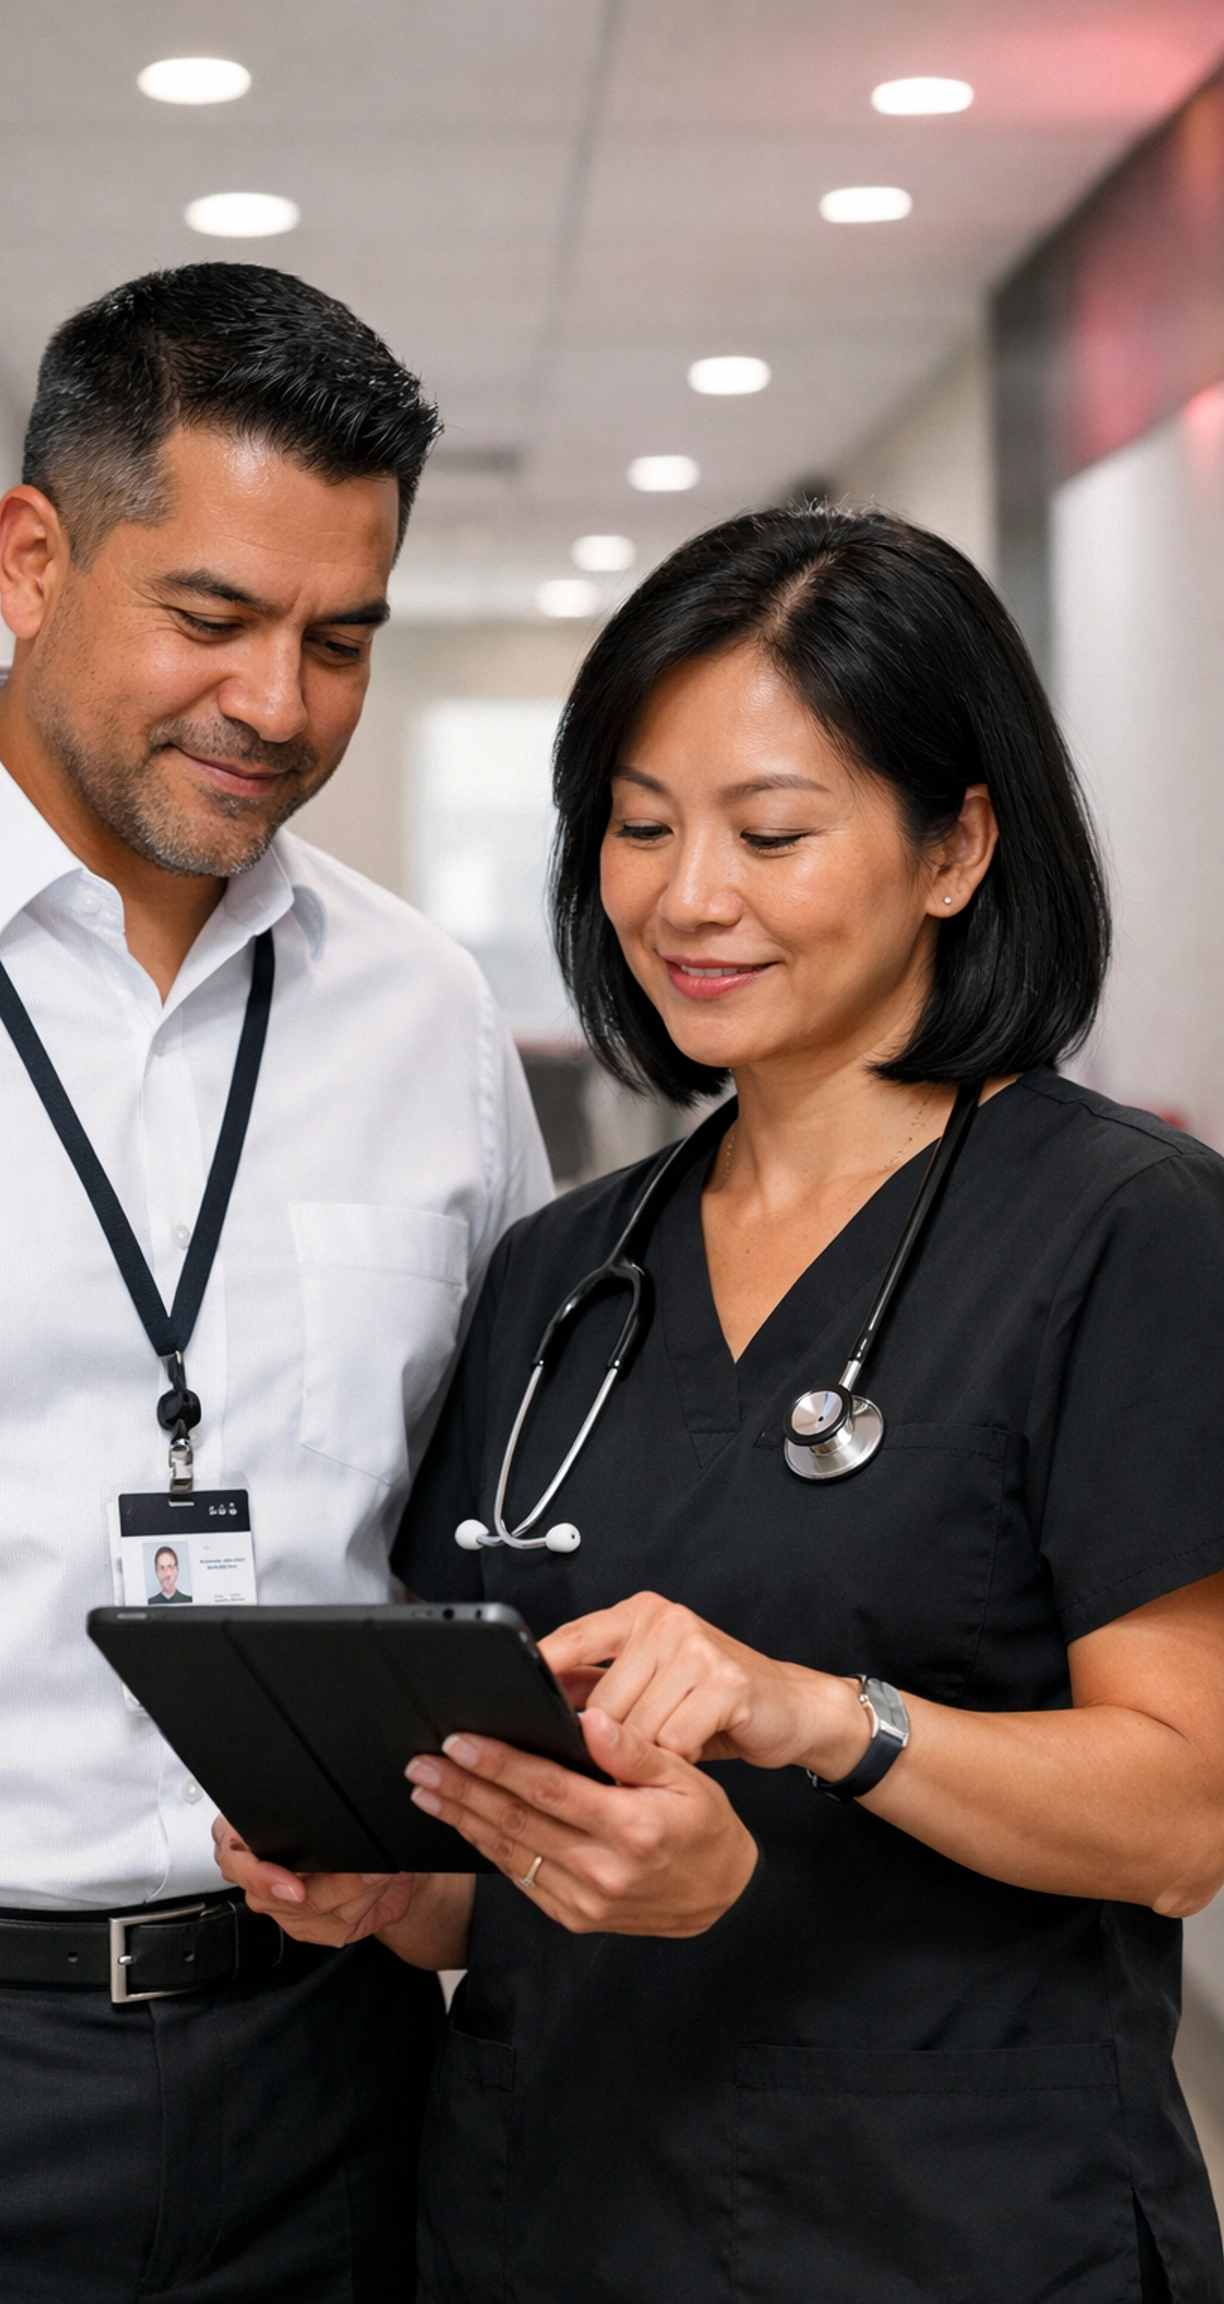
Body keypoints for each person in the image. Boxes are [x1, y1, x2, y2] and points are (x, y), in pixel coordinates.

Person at [219, 508, 1224, 2302]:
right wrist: (388, 1888)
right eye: (639, 825)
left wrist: (825, 1717)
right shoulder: (562, 1272)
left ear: (956, 846)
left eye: (771, 832)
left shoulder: (1120, 1233)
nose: (689, 897)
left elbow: (1181, 1817)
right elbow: (496, 1868)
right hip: (550, 2217)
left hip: (952, 2225)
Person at [0, 263, 550, 2300]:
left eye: (343, 640)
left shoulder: (423, 1013)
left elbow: (496, 1526)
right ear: (30, 557)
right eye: (213, 619)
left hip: (330, 2079)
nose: (280, 704)